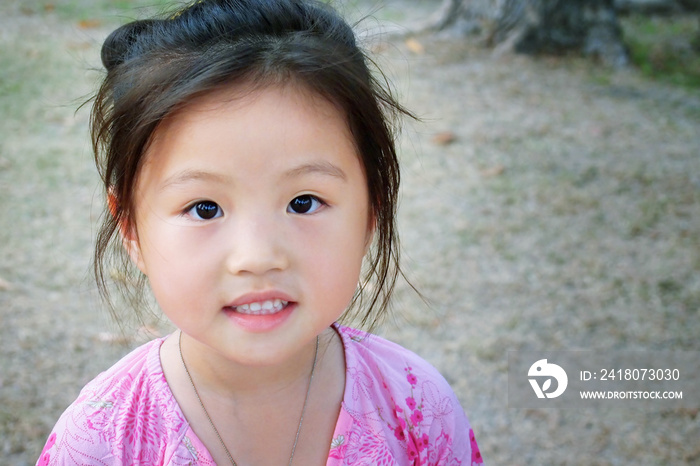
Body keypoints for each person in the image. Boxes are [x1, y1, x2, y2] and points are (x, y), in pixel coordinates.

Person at [37, 0, 484, 464]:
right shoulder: (101, 439)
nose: (258, 255)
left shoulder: (417, 406)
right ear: (130, 228)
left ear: (371, 210)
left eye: (303, 202)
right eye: (204, 208)